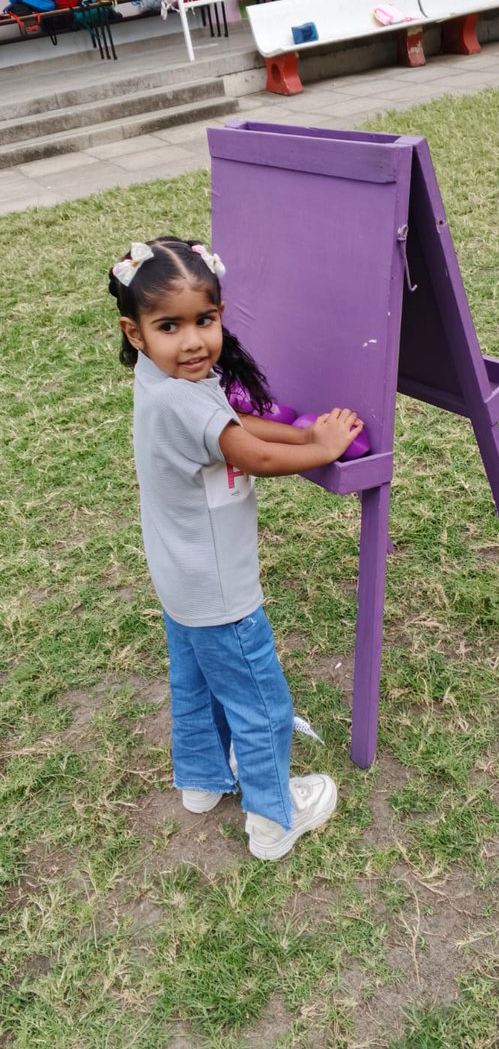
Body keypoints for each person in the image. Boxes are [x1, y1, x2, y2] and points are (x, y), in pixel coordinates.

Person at [108, 236, 364, 860]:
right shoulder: (182, 398)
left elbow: (234, 422)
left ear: (220, 314)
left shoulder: (162, 379)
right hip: (220, 589)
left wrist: (303, 431)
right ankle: (274, 819)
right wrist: (322, 448)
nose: (193, 341)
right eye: (170, 326)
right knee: (260, 702)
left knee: (196, 684)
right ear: (135, 332)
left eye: (205, 320)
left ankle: (202, 781)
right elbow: (253, 455)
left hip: (180, 578)